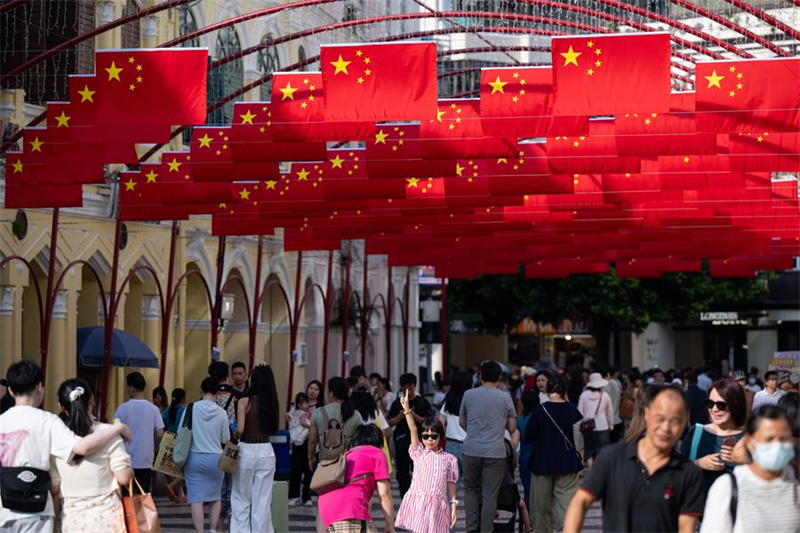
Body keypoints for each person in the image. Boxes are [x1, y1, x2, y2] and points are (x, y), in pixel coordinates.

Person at [0, 360, 131, 533]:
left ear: (10, 390)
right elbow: (81, 448)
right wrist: (118, 428)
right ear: (40, 387)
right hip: (37, 509)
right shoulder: (48, 421)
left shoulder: (2, 421)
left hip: (5, 509)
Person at [564, 385, 705, 533]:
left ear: (685, 423)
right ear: (647, 414)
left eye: (675, 421)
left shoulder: (688, 472)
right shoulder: (612, 458)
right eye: (660, 418)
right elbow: (580, 502)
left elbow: (686, 527)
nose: (666, 428)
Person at [50, 379, 134, 533]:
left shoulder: (57, 440)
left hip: (73, 521)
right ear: (92, 400)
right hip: (108, 519)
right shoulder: (110, 433)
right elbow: (124, 477)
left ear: (61, 407)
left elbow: (55, 488)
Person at [700, 405, 799, 533]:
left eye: (784, 439)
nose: (777, 445)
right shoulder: (728, 487)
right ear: (750, 442)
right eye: (769, 439)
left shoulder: (795, 483)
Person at [459, 361, 518, 533]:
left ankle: (471, 529)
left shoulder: (468, 395)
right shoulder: (505, 397)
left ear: (480, 376)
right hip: (495, 452)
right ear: (499, 378)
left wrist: (476, 433)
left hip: (471, 450)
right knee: (490, 494)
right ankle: (486, 530)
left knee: (470, 490)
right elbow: (512, 428)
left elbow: (462, 423)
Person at [524, 373, 583, 533]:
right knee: (566, 503)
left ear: (548, 390)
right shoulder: (572, 410)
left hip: (542, 463)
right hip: (568, 463)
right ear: (565, 390)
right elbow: (579, 437)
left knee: (541, 505)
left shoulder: (540, 410)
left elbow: (529, 437)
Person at [395, 397, 458, 533]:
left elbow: (451, 483)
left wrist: (453, 505)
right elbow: (412, 429)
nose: (430, 439)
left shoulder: (450, 459)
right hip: (419, 503)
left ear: (440, 436)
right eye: (425, 436)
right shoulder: (418, 453)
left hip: (438, 506)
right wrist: (407, 410)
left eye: (434, 436)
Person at [318, 424, 395, 533]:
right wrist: (390, 525)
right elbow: (384, 493)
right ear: (379, 442)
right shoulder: (377, 453)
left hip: (326, 510)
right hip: (349, 509)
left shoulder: (346, 455)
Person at [231, 364, 280, 533]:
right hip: (266, 450)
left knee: (241, 498)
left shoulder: (245, 401)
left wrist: (234, 433)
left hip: (246, 450)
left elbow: (240, 430)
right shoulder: (272, 403)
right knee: (262, 500)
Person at [680, 379, 746, 493]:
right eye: (710, 403)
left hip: (738, 505)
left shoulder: (749, 437)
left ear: (735, 404)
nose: (714, 409)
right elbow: (677, 470)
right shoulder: (696, 432)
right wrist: (698, 463)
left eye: (721, 405)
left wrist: (743, 461)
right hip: (699, 506)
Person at [182, 377, 229, 533]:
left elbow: (181, 432)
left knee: (196, 498)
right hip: (215, 459)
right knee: (215, 497)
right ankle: (213, 530)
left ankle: (200, 532)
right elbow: (225, 439)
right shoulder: (222, 413)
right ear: (217, 393)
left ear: (201, 391)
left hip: (194, 457)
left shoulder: (190, 408)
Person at [112, 371, 165, 493]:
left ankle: (127, 513)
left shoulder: (122, 408)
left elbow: (115, 430)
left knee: (126, 495)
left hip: (126, 459)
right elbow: (160, 433)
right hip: (146, 459)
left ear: (131, 389)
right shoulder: (154, 409)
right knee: (144, 495)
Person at [388, 373, 433, 498]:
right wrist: (401, 416)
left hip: (419, 443)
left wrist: (413, 415)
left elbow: (429, 421)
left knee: (419, 472)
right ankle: (405, 497)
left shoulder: (422, 402)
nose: (408, 390)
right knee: (402, 474)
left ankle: (419, 496)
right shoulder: (397, 403)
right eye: (404, 388)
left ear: (415, 386)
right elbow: (389, 421)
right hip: (401, 443)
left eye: (410, 387)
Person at [208, 360, 241, 532]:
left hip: (212, 446)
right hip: (232, 446)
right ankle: (233, 526)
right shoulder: (236, 395)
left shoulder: (208, 397)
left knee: (218, 491)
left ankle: (220, 528)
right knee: (233, 489)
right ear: (227, 374)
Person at [309, 377, 364, 465]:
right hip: (345, 461)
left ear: (331, 393)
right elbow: (360, 439)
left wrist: (310, 458)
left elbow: (312, 440)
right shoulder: (355, 414)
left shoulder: (319, 412)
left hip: (323, 460)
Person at [438, 371, 471, 494]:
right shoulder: (471, 402)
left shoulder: (448, 402)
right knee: (471, 485)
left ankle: (448, 512)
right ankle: (473, 512)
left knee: (451, 485)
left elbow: (440, 423)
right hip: (468, 446)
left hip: (450, 446)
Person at [578, 372, 614, 465]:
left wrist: (580, 423)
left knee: (589, 449)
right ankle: (598, 469)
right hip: (602, 426)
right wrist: (611, 424)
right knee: (601, 449)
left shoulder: (583, 395)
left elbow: (579, 411)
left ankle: (590, 468)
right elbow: (609, 412)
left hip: (588, 427)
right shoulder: (605, 395)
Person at [287, 392, 312, 507]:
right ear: (299, 404)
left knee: (296, 471)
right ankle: (304, 496)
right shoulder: (302, 414)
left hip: (295, 442)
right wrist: (312, 427)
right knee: (306, 470)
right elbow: (303, 423)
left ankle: (294, 496)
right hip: (303, 442)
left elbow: (287, 416)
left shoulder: (292, 412)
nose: (306, 405)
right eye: (304, 403)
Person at [162, 388, 187, 503]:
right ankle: (172, 486)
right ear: (183, 399)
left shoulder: (166, 411)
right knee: (184, 471)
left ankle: (180, 496)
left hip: (167, 441)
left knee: (175, 471)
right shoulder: (184, 410)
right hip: (180, 442)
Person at [516, 389, 539, 508]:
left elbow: (515, 441)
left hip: (526, 457)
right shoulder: (542, 419)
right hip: (541, 456)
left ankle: (529, 517)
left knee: (527, 488)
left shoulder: (519, 421)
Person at [602, 366, 624, 443]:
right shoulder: (618, 383)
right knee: (615, 441)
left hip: (607, 419)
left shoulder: (605, 385)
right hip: (617, 418)